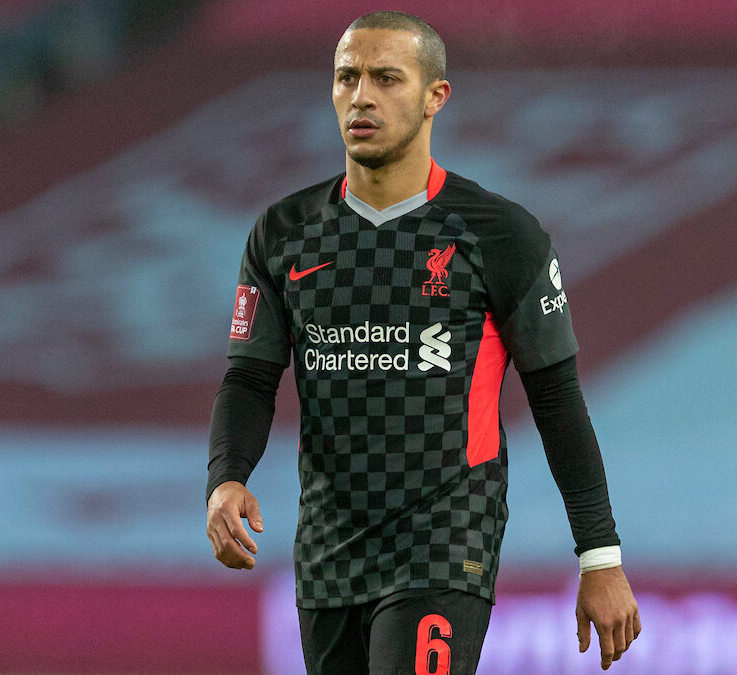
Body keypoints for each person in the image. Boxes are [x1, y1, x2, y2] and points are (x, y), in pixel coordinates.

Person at [206, 10, 640, 674]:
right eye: (346, 77)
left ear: (436, 95)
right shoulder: (284, 234)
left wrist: (600, 556)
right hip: (328, 547)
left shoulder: (498, 235)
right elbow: (249, 378)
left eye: (386, 78)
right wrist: (226, 477)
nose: (362, 96)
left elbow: (556, 400)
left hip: (444, 541)